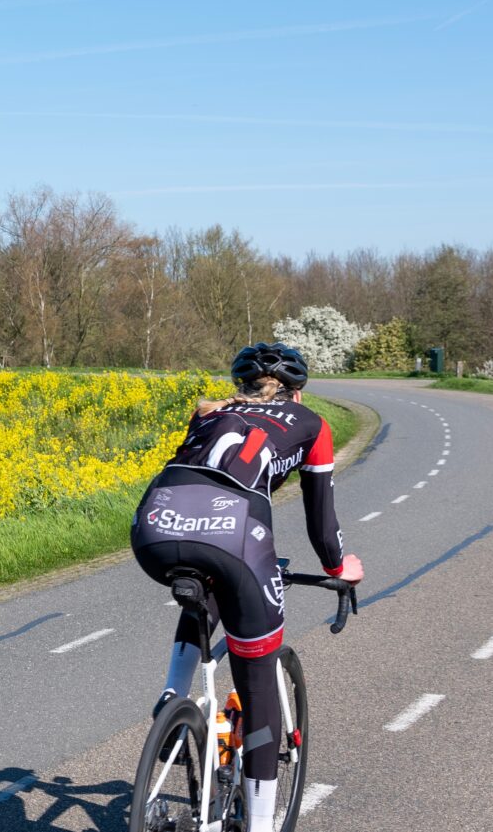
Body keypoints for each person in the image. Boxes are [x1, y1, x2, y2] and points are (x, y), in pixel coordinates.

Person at [131, 342, 364, 829]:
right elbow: (321, 523)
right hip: (234, 535)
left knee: (210, 576)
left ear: (240, 386)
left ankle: (173, 694)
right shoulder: (311, 425)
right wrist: (340, 568)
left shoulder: (208, 413)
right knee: (257, 688)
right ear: (296, 394)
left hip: (154, 524)